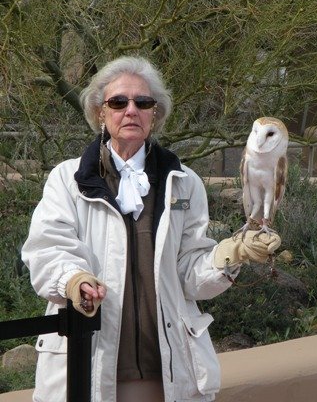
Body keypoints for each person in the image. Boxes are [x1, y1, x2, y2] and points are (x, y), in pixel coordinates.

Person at [21, 56, 281, 402]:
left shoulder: (184, 183)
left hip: (168, 373)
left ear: (154, 113)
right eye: (118, 102)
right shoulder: (67, 180)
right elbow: (46, 249)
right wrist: (74, 280)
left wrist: (231, 252)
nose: (131, 110)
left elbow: (190, 274)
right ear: (100, 112)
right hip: (88, 371)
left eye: (143, 102)